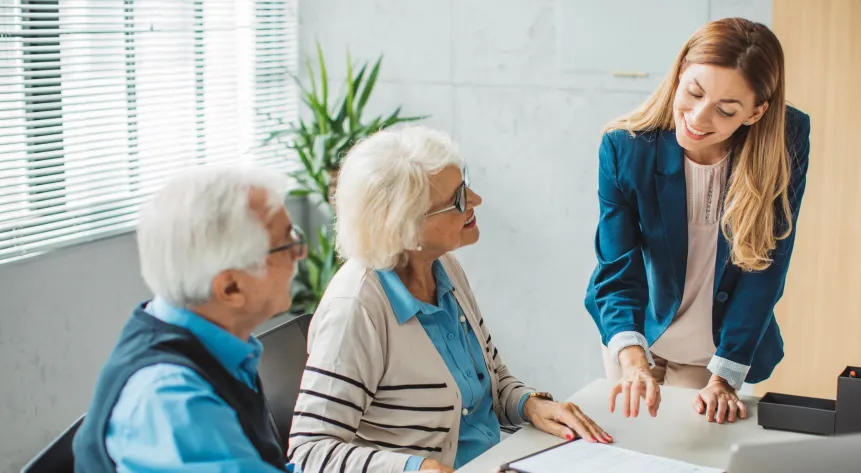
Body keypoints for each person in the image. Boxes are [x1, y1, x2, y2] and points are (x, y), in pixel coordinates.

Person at [288, 126, 610, 473]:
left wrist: (530, 405)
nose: (475, 200)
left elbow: (490, 380)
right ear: (405, 228)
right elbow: (310, 451)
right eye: (457, 199)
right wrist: (417, 469)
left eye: (465, 185)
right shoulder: (356, 309)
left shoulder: (443, 268)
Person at [584, 17, 811, 425]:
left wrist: (724, 377)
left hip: (717, 352)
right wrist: (633, 360)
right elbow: (617, 269)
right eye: (694, 92)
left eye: (726, 110)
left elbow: (766, 267)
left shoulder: (785, 138)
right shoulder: (625, 147)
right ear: (680, 72)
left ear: (756, 112)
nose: (699, 118)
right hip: (639, 335)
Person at [73, 165, 306, 472]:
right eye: (287, 243)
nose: (300, 254)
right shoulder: (172, 401)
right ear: (231, 287)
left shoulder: (211, 342)